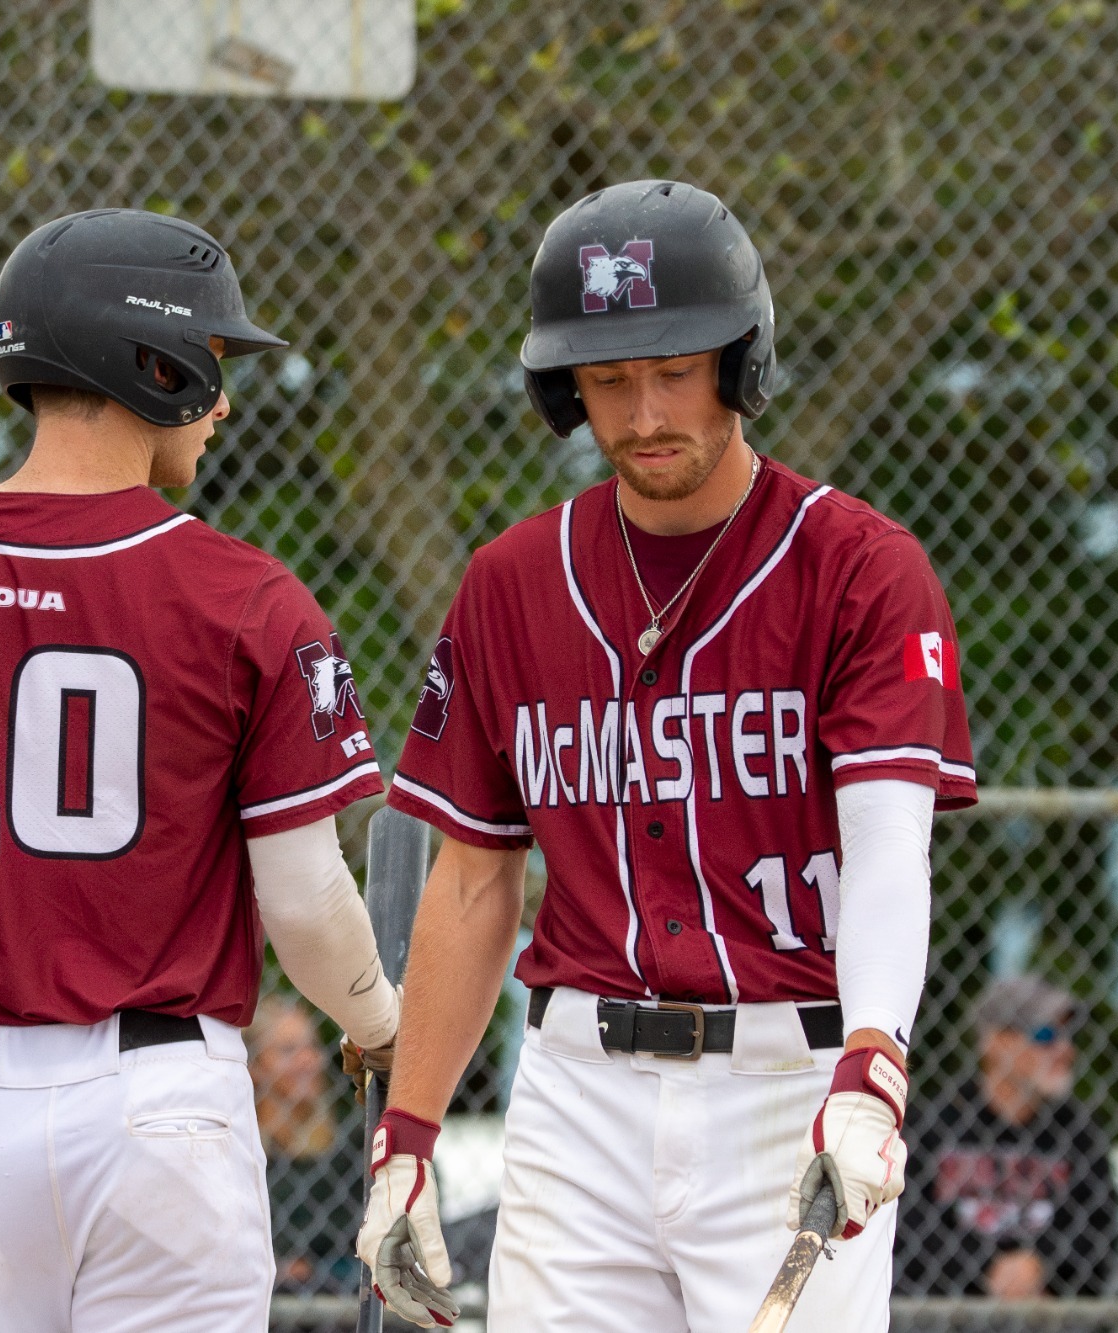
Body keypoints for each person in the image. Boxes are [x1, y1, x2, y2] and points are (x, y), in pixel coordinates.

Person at [0, 207, 402, 1332]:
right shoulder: (244, 594)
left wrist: (0, 953)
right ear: (148, 366)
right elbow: (302, 901)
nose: (222, 399)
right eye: (206, 364)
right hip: (160, 1100)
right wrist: (381, 1023)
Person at [353, 179, 976, 1331]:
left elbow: (889, 846)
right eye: (605, 378)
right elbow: (474, 875)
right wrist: (406, 1132)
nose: (641, 412)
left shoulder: (856, 567)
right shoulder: (510, 581)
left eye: (674, 369)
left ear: (741, 361)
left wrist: (874, 1061)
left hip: (788, 1083)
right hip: (576, 1093)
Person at [895, 976, 1118, 1303]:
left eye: (1069, 1036)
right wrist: (985, 1267)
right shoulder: (934, 1126)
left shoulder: (1079, 1134)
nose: (1065, 1050)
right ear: (995, 1043)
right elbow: (904, 1233)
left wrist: (1040, 1265)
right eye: (1045, 1035)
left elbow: (1101, 1238)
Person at [247, 996, 361, 1292]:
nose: (307, 1060)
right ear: (255, 1067)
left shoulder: (348, 1146)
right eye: (288, 1050)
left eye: (311, 1047)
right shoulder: (244, 1152)